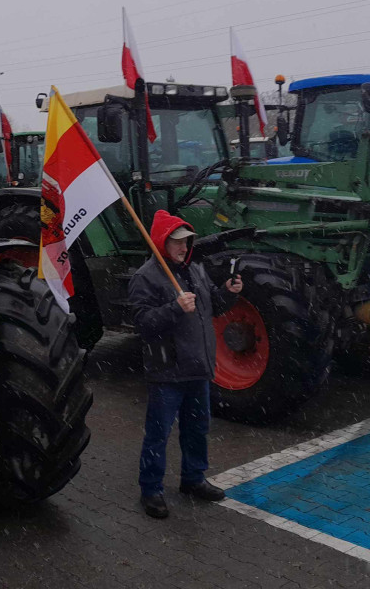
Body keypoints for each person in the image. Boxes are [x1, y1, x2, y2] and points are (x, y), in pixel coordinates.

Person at [128, 209, 243, 519]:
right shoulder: (145, 277)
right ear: (161, 242)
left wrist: (228, 293)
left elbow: (212, 307)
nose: (184, 247)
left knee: (197, 429)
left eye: (187, 241)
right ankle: (151, 489)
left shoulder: (196, 269)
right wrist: (174, 308)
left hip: (197, 368)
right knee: (158, 434)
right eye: (177, 241)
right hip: (167, 371)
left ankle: (193, 479)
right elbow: (142, 323)